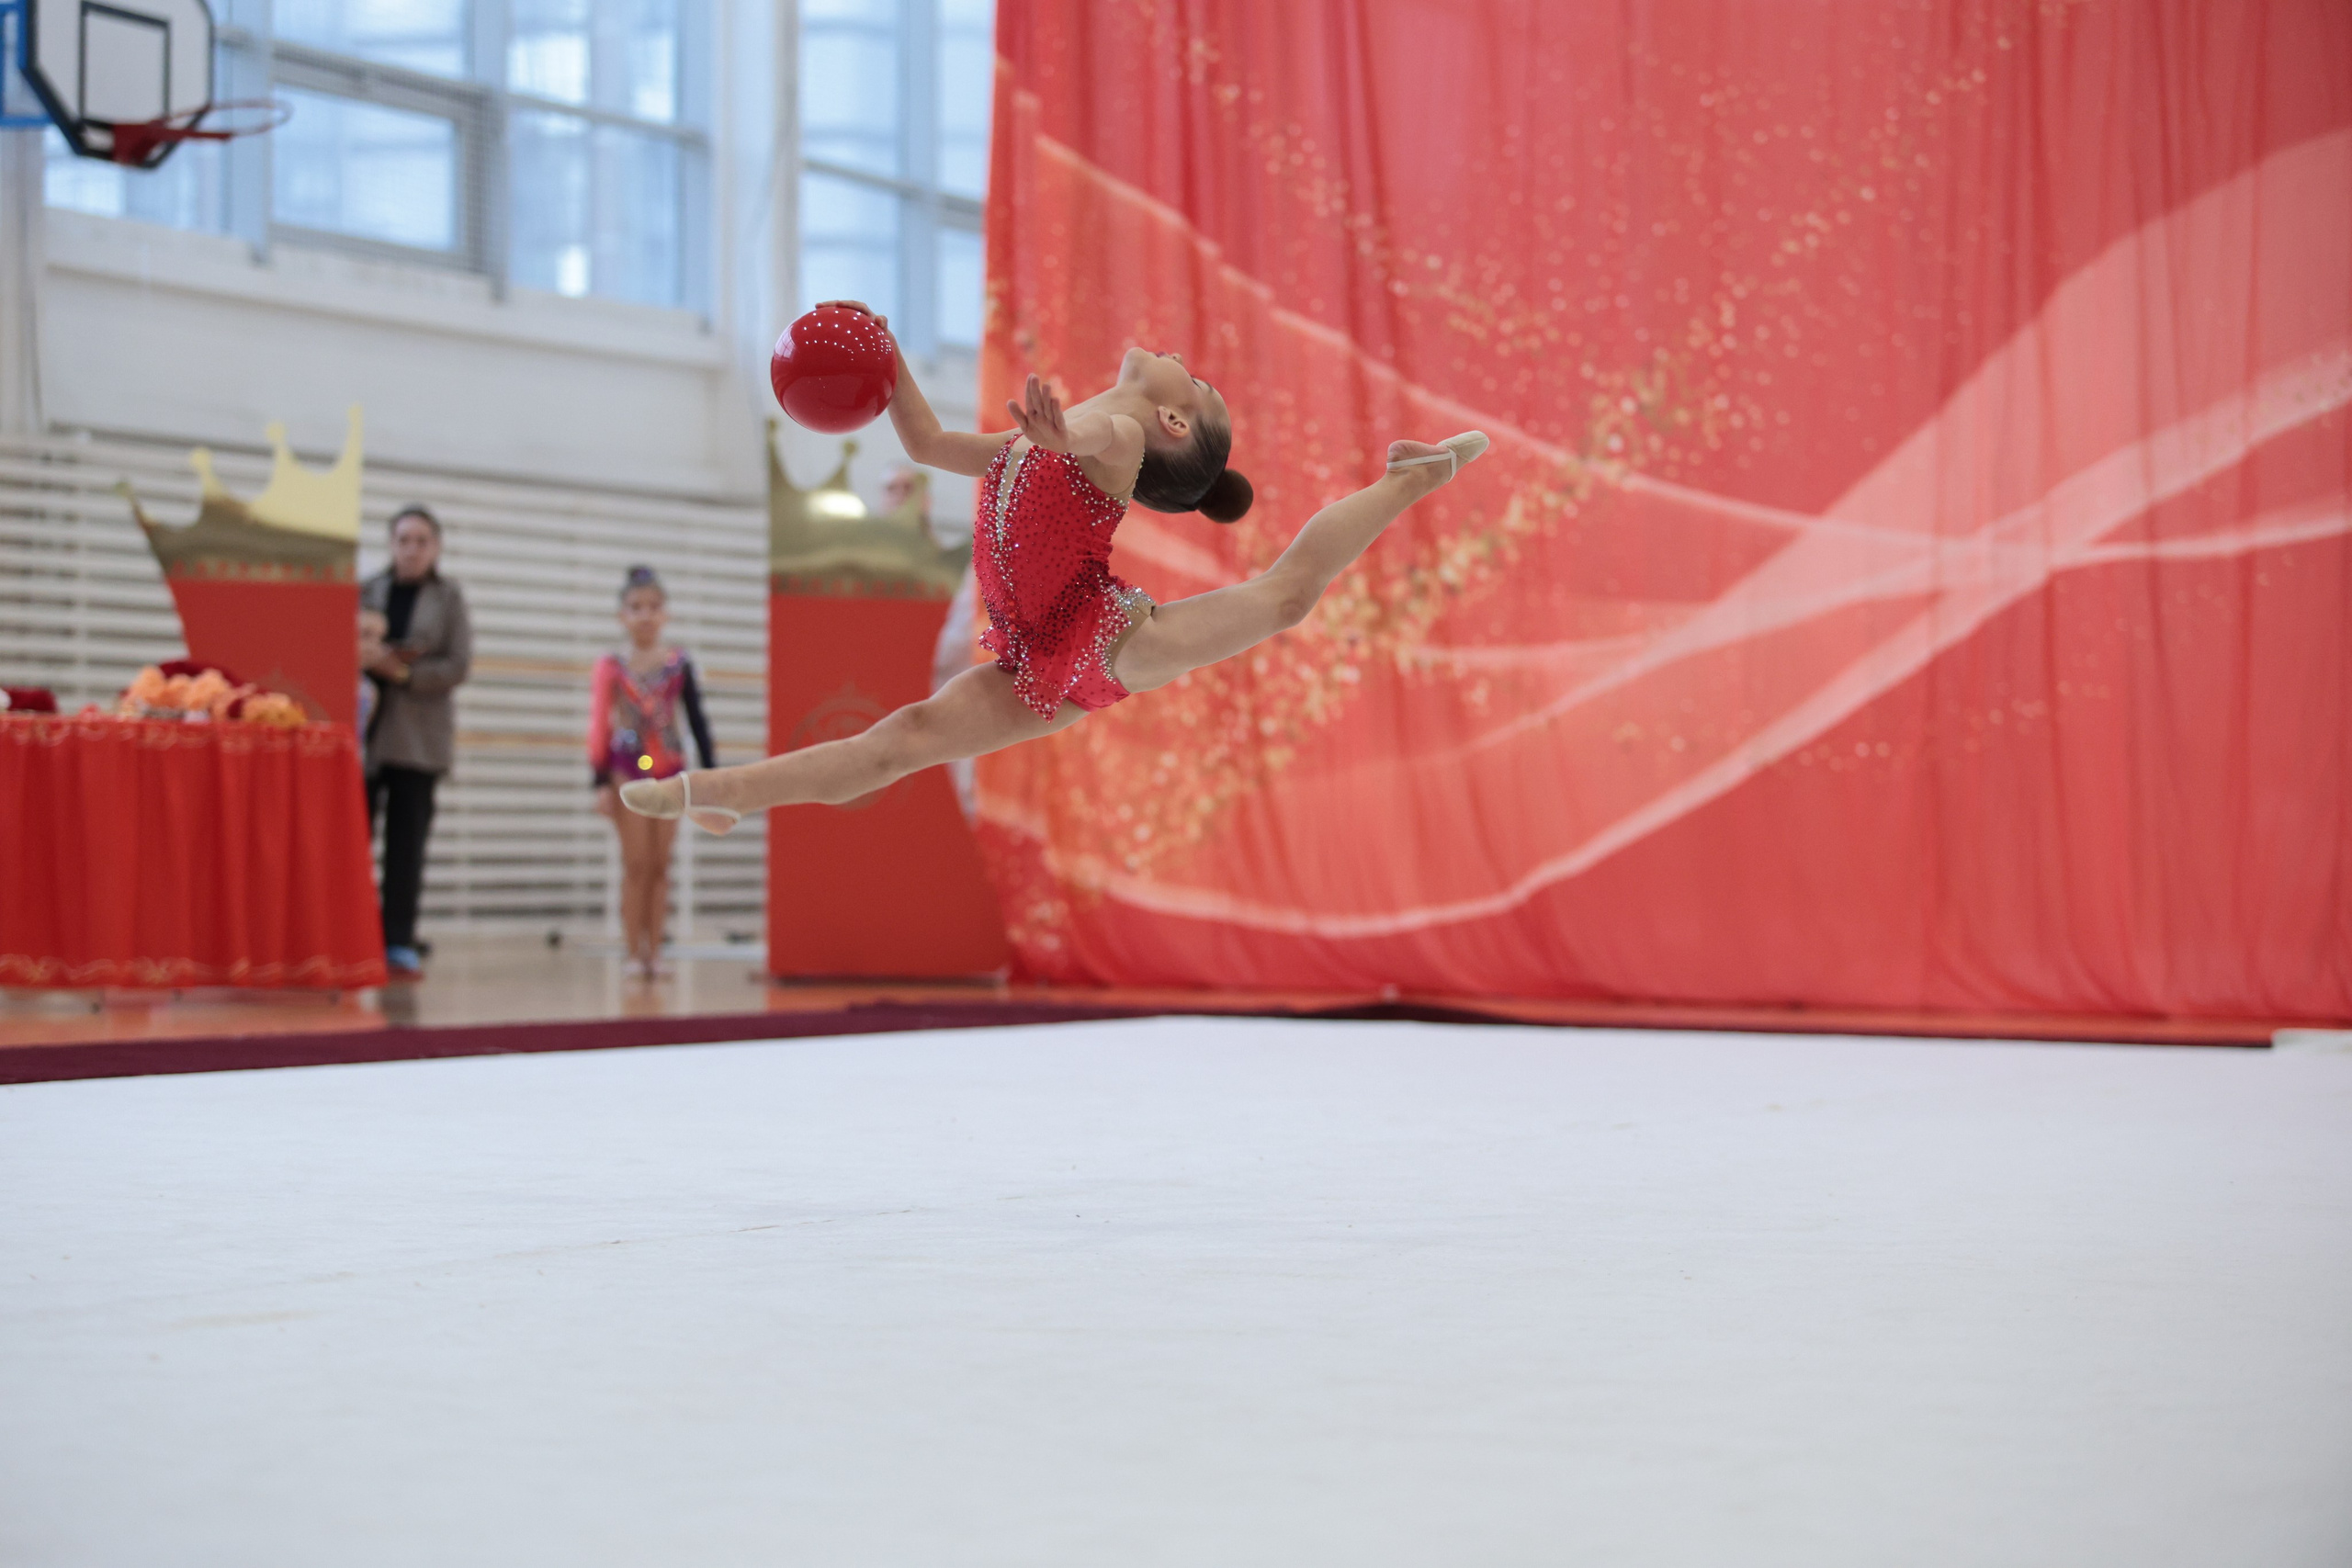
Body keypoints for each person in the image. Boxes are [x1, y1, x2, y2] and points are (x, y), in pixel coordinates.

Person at [621, 299, 1484, 833]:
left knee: (1286, 597)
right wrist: (881, 350)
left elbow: (1096, 438)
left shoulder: (1111, 438)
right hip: (1032, 650)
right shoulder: (1053, 433)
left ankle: (1412, 478)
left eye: (1201, 384)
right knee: (900, 742)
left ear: (1173, 424)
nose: (1189, 367)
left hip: (1106, 638)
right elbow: (923, 442)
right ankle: (720, 793)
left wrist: (1060, 437)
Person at [360, 506, 473, 979]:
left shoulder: (448, 599)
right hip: (365, 736)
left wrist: (403, 673)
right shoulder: (368, 591)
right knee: (355, 841)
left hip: (419, 741)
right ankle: (354, 935)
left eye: (421, 540)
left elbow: (456, 666)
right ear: (391, 543)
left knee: (407, 847)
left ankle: (398, 940)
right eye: (404, 539)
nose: (412, 548)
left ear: (436, 547)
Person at [590, 566, 717, 979]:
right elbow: (598, 723)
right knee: (636, 863)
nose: (645, 615)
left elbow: (697, 719)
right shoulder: (611, 666)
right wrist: (598, 780)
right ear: (621, 616)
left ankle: (655, 952)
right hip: (627, 767)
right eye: (636, 608)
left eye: (654, 607)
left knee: (661, 864)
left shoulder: (678, 663)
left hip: (669, 768)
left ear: (666, 615)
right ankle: (631, 951)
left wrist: (711, 775)